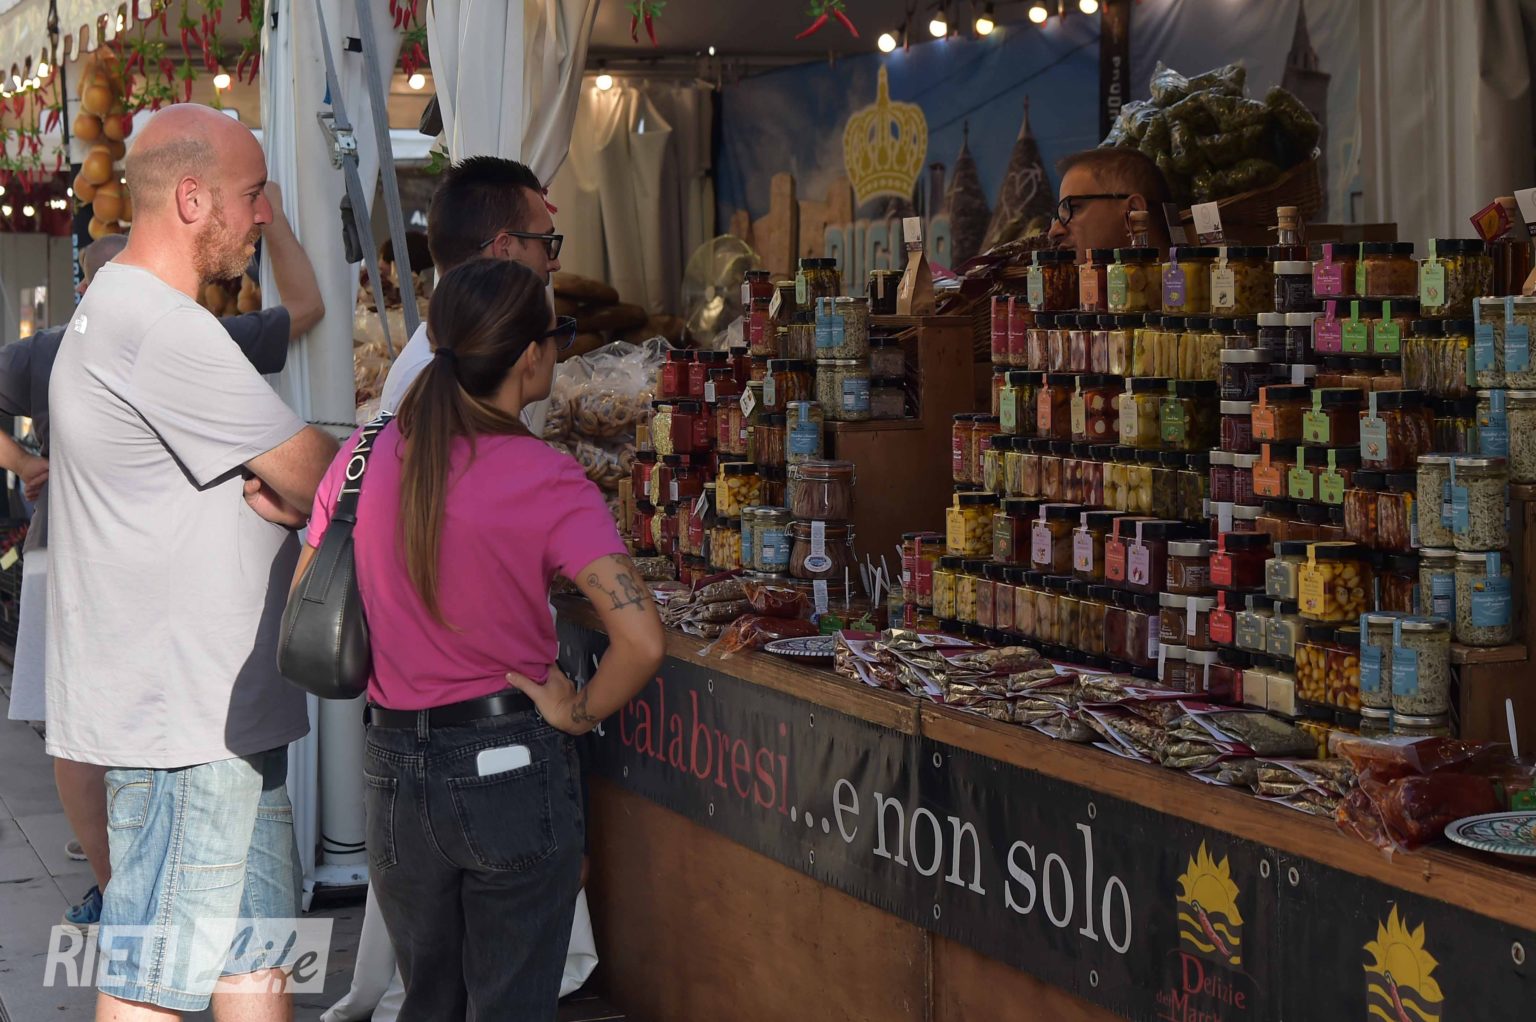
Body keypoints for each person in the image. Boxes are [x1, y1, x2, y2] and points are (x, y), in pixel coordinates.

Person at [301, 257, 662, 1019]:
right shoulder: (546, 476)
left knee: (427, 999)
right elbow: (642, 642)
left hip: (392, 765)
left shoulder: (361, 459)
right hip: (509, 763)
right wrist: (578, 710)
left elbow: (312, 589)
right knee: (512, 1003)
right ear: (530, 356)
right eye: (557, 334)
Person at [46, 103, 338, 1019]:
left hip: (213, 719)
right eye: (252, 195)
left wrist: (294, 486)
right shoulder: (163, 329)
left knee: (254, 968)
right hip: (188, 727)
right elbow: (320, 475)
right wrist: (313, 476)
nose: (263, 215)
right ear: (190, 198)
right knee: (152, 985)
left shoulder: (122, 310)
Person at [0, 185, 324, 935]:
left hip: (70, 556)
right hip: (146, 588)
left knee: (78, 726)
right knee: (99, 740)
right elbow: (308, 309)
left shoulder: (64, 345)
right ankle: (125, 898)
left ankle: (115, 888)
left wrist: (26, 464)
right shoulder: (188, 338)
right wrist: (276, 219)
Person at [378, 156, 562, 414]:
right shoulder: (437, 375)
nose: (555, 263)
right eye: (545, 243)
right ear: (505, 248)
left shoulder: (467, 356)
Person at [1047, 147, 1173, 261]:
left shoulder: (1181, 279)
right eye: (1059, 217)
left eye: (1074, 208)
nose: (1054, 231)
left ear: (1134, 212)